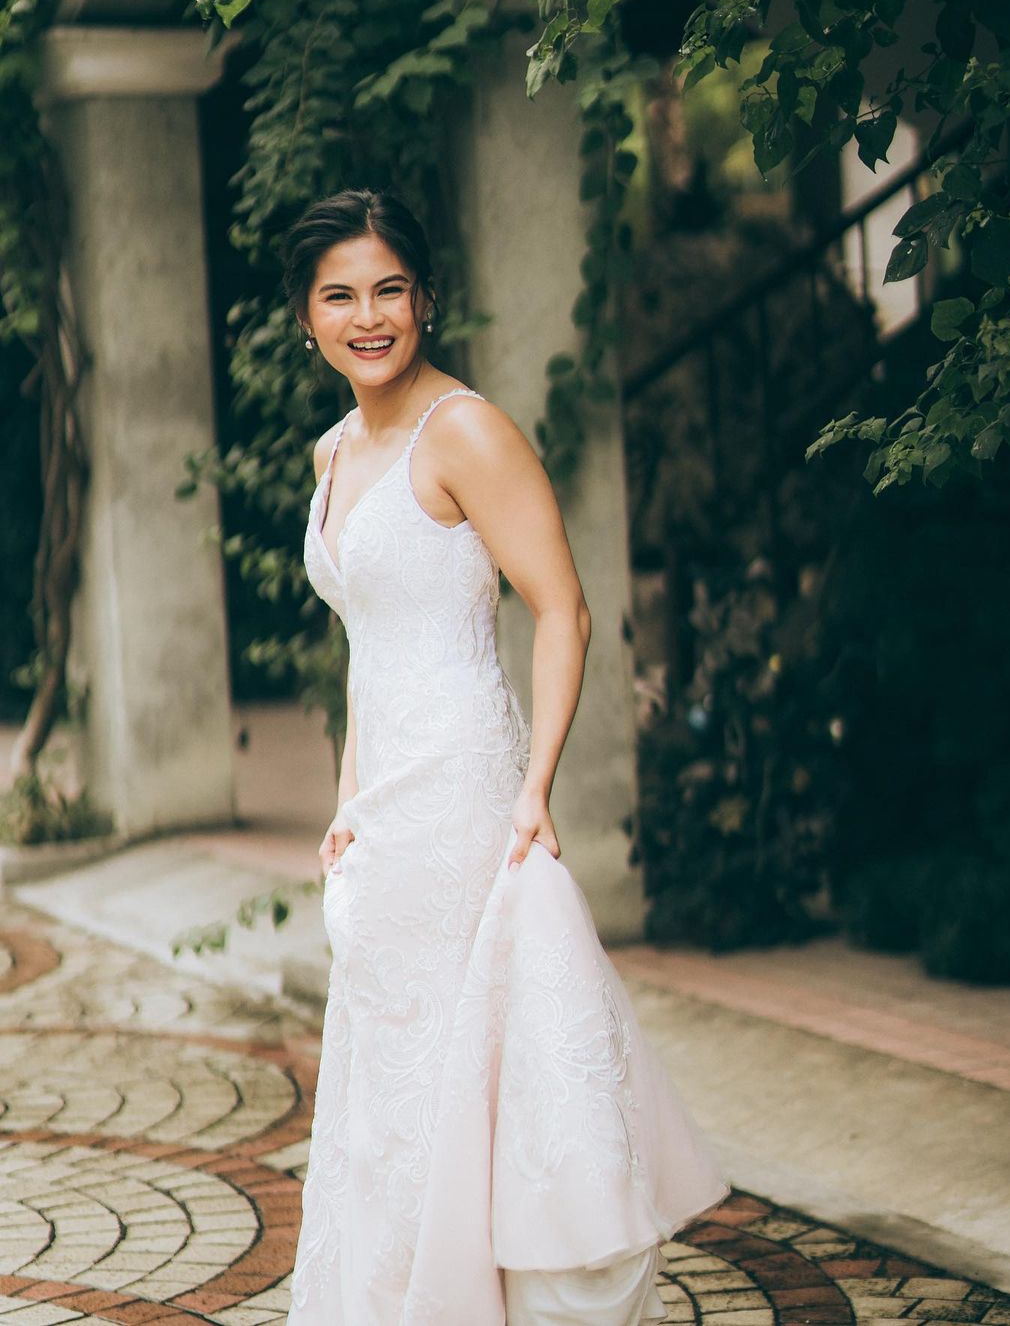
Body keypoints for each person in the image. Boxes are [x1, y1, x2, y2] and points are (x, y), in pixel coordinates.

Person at [284, 187, 730, 1326]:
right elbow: (367, 643)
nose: (368, 316)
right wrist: (344, 800)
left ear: (426, 301)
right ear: (307, 318)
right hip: (385, 810)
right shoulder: (333, 452)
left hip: (466, 789)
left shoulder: (465, 432)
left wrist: (535, 790)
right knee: (391, 1075)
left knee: (463, 1067)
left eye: (390, 290)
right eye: (341, 296)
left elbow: (564, 609)